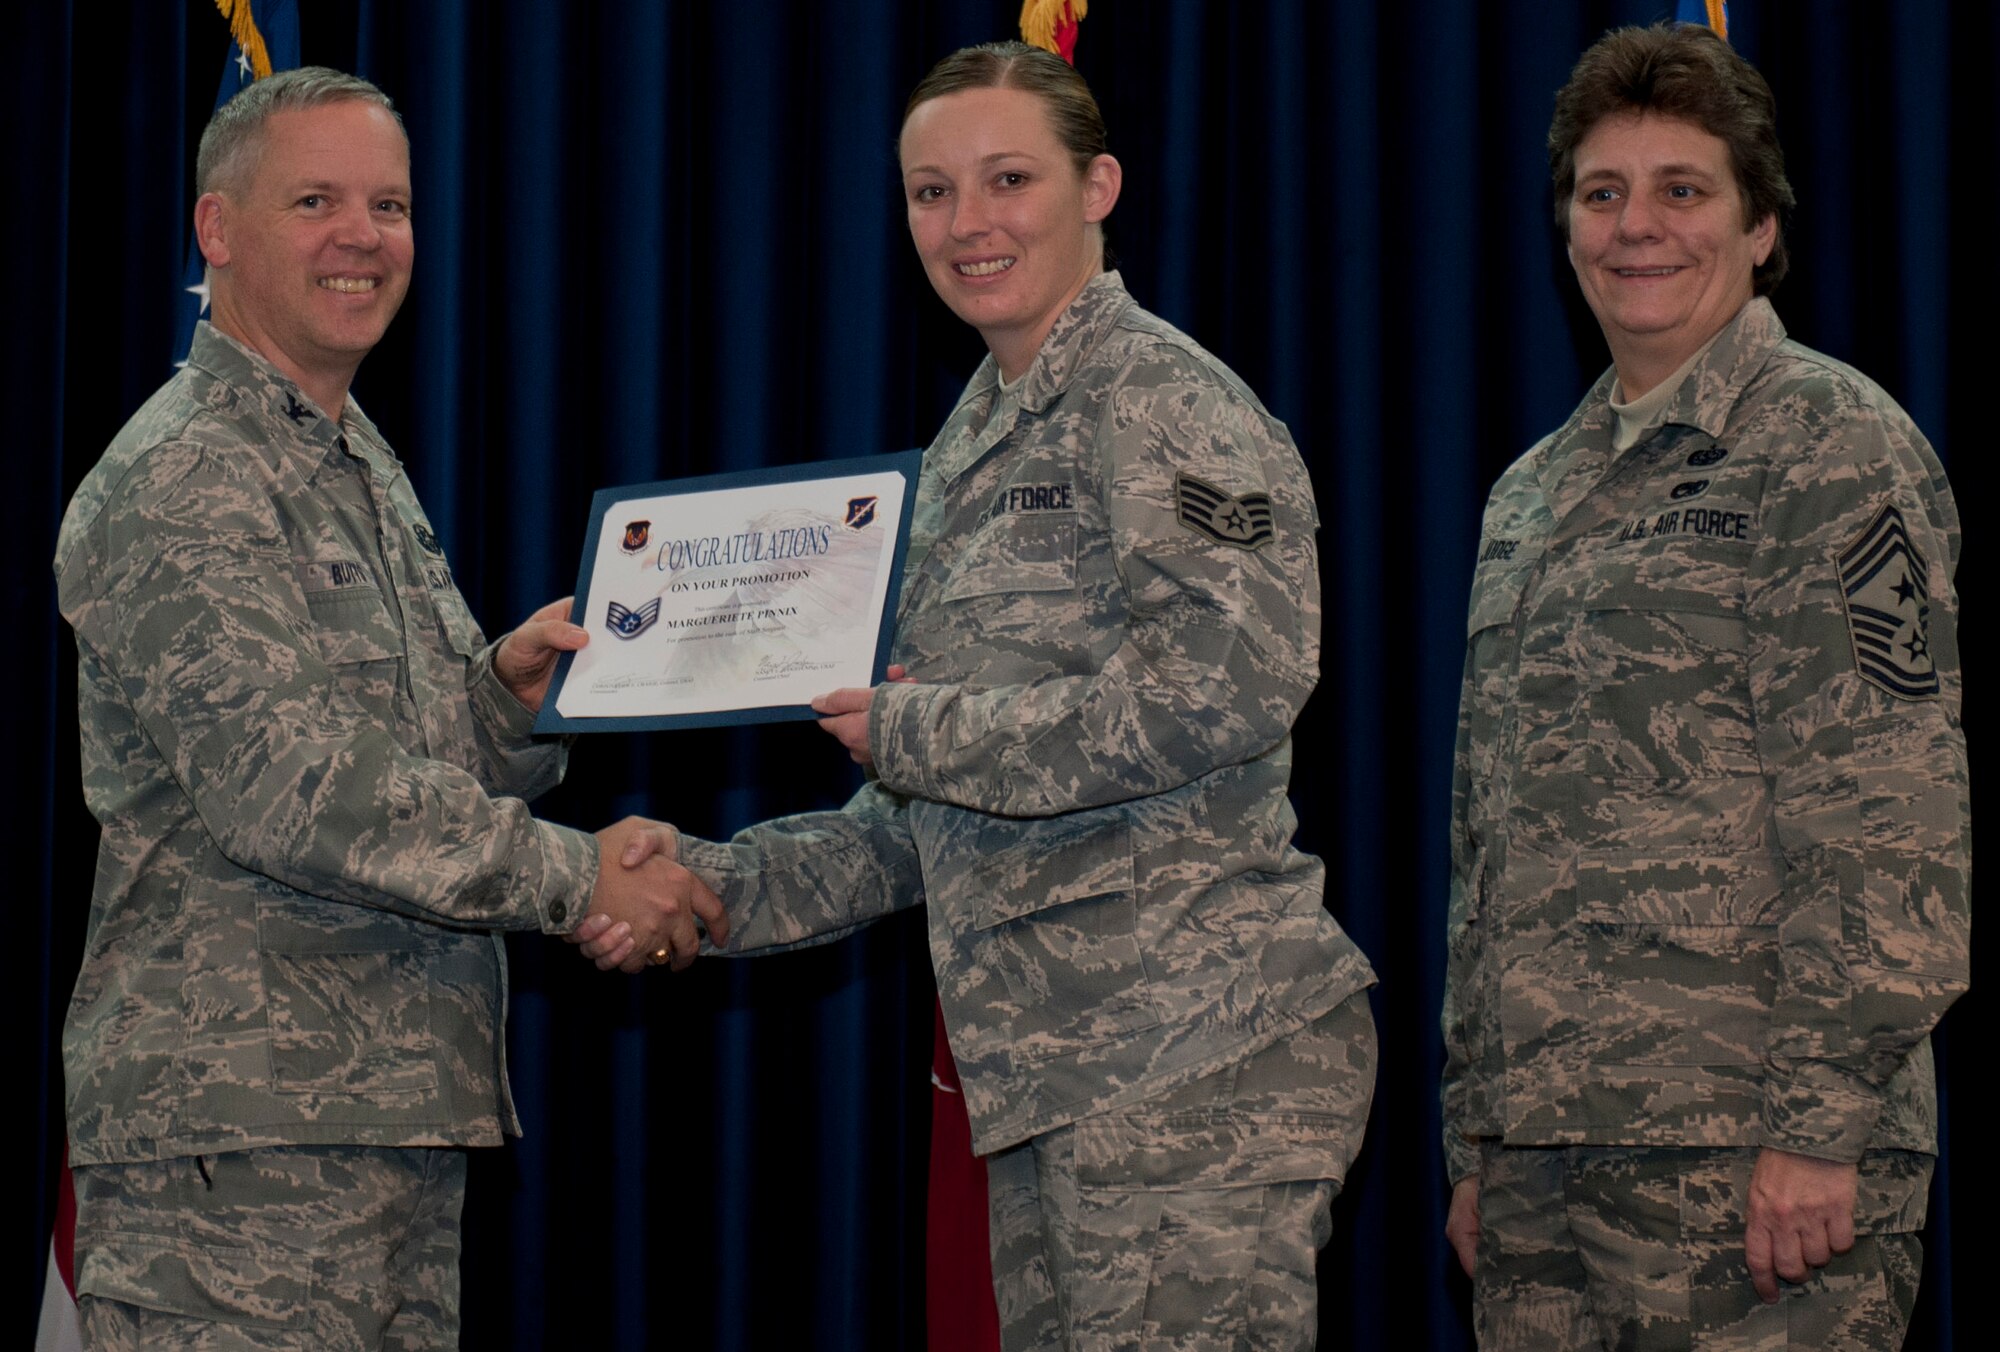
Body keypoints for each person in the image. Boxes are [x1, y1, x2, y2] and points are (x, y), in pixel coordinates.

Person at [580, 39, 1378, 1351]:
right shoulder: (965, 449)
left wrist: (913, 728)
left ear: (1097, 187)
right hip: (1055, 1079)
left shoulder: (1164, 400)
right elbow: (924, 815)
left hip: (1192, 1061)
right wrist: (709, 889)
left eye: (1009, 179)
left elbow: (1224, 690)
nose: (968, 224)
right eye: (931, 192)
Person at [53, 67, 723, 1348]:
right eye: (315, 200)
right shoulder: (184, 476)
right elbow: (295, 792)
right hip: (240, 1152)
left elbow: (408, 762)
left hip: (388, 1117)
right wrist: (578, 875)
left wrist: (505, 700)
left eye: (390, 205)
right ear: (216, 229)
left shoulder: (352, 454)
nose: (362, 236)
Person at [1438, 23, 1969, 1349]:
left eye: (1681, 189)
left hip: (1749, 1163)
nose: (1635, 227)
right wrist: (1477, 1131)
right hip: (1540, 1163)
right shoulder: (1529, 495)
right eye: (1601, 193)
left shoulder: (1831, 446)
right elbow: (1487, 835)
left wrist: (1820, 1125)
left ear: (1760, 225)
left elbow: (1887, 812)